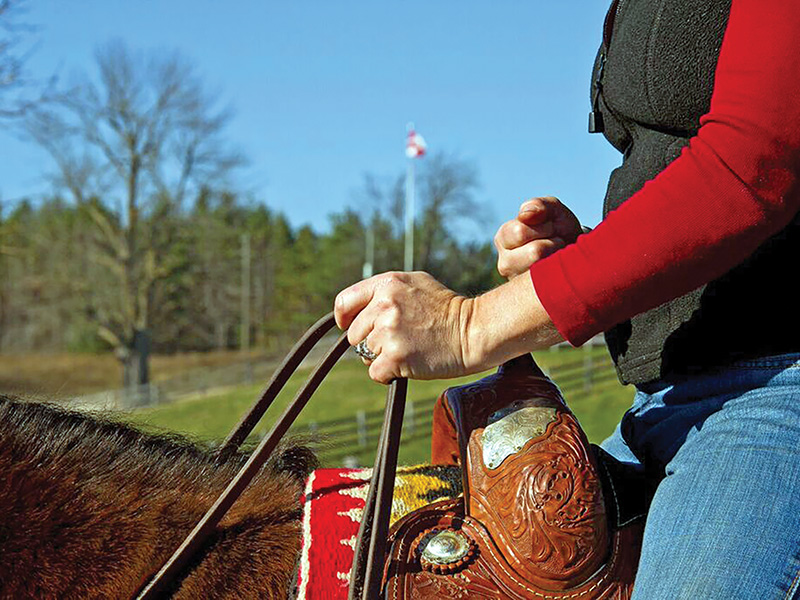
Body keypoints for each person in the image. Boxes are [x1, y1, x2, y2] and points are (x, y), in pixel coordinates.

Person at [334, 1, 800, 598]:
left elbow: (754, 163)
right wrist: (588, 258)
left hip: (775, 388)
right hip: (664, 402)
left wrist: (470, 324)